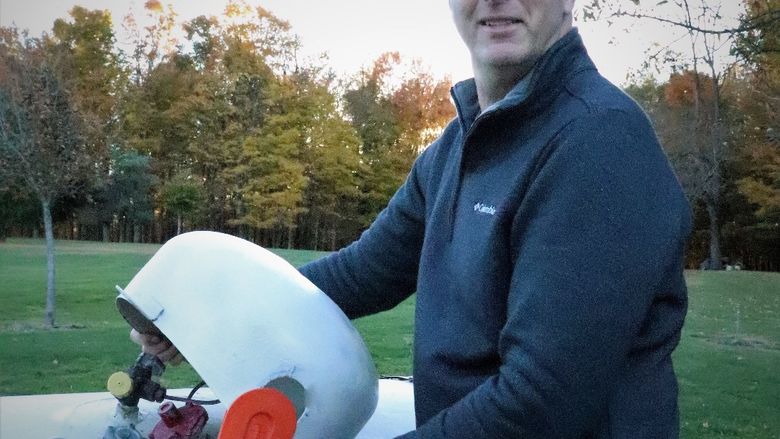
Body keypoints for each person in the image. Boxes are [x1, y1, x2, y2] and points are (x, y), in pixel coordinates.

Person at [133, 0, 693, 437]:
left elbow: (542, 401)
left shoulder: (598, 140)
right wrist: (206, 316)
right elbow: (361, 273)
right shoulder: (458, 145)